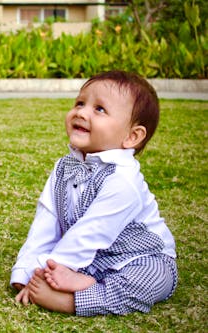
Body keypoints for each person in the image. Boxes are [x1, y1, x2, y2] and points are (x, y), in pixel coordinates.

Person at [10, 70, 177, 316]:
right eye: (80, 102)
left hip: (139, 258)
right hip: (93, 259)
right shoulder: (63, 167)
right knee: (71, 257)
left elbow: (90, 233)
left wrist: (48, 273)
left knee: (150, 280)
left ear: (132, 136)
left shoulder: (123, 180)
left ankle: (72, 300)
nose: (81, 112)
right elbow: (46, 222)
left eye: (99, 109)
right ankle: (84, 281)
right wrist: (26, 272)